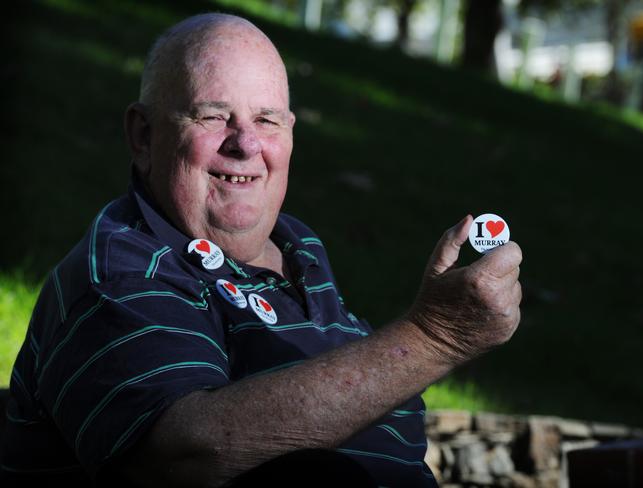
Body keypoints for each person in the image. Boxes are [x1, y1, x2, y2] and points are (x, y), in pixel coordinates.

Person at [0, 13, 522, 488]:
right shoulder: (122, 266)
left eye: (268, 120)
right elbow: (187, 456)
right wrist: (434, 338)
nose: (246, 144)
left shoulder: (300, 250)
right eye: (213, 116)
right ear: (143, 136)